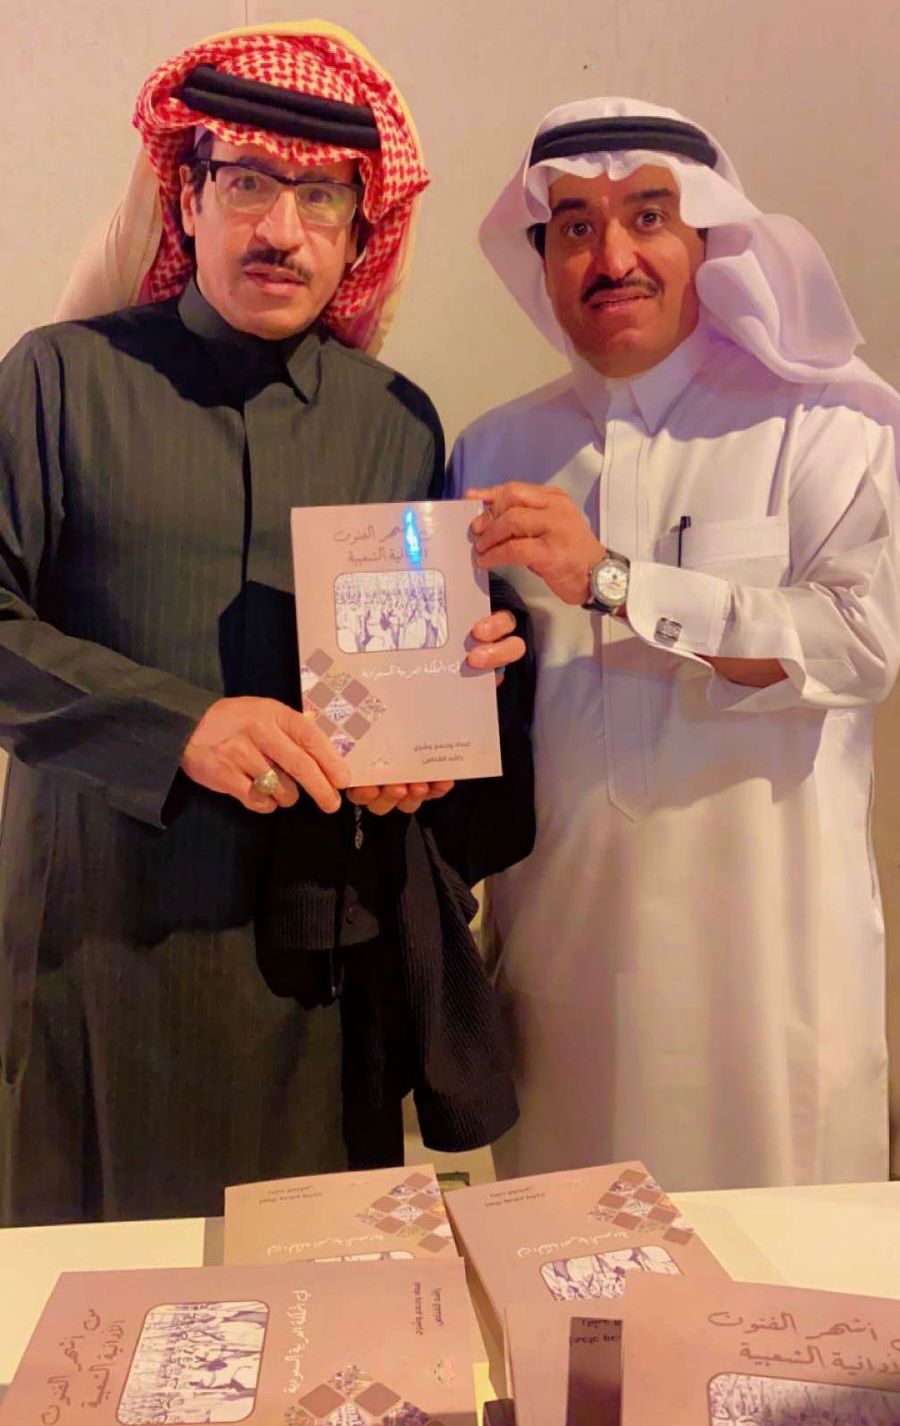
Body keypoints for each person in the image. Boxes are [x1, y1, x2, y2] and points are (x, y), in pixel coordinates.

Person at [0, 21, 532, 1226]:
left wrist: (445, 716)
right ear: (188, 198)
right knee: (105, 1308)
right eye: (247, 182)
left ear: (358, 229)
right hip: (101, 948)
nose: (281, 229)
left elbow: (408, 670)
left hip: (321, 976)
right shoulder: (60, 381)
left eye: (320, 195)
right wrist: (176, 727)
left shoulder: (395, 420)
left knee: (322, 1299)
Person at [451, 96, 900, 1190]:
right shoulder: (495, 450)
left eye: (648, 216)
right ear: (542, 260)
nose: (613, 257)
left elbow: (860, 645)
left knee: (780, 1283)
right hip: (563, 986)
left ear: (708, 236)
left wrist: (614, 582)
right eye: (574, 227)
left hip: (771, 989)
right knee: (563, 1273)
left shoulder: (828, 426)